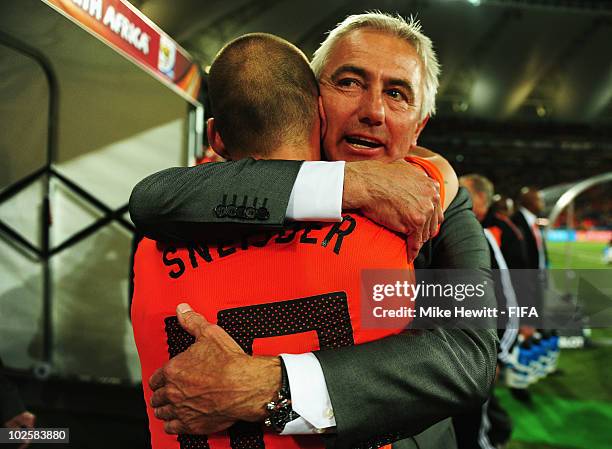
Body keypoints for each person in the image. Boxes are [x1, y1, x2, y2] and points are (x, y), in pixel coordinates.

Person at [130, 12, 498, 449]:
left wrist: (272, 386)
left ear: (418, 126)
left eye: (397, 93)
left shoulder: (440, 202)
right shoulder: (223, 193)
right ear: (314, 100)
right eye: (350, 82)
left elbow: (468, 356)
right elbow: (151, 199)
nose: (373, 111)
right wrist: (349, 183)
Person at [457, 174, 517, 449]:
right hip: (438, 359)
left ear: (480, 199)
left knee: (472, 433)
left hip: (473, 359)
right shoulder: (435, 229)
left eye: (461, 193)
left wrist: (496, 355)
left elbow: (507, 300)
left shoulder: (481, 236)